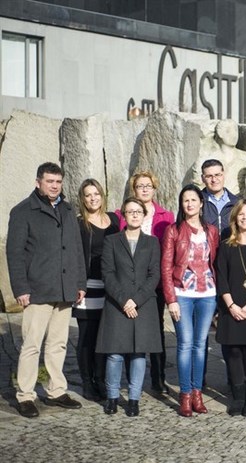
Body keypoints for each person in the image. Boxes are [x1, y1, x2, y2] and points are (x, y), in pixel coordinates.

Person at [7, 162, 86, 418]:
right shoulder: (23, 211)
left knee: (58, 344)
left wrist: (80, 283)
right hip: (37, 290)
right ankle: (26, 395)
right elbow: (15, 254)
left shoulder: (67, 209)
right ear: (38, 182)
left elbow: (76, 249)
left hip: (64, 289)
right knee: (31, 345)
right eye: (49, 181)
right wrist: (20, 288)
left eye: (58, 181)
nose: (54, 186)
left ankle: (56, 390)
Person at [97, 197, 162, 417]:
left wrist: (136, 300)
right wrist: (124, 300)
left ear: (144, 215)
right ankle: (112, 397)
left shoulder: (152, 242)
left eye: (138, 211)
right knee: (114, 354)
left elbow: (154, 275)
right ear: (123, 215)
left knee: (138, 354)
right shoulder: (112, 241)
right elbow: (107, 273)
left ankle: (134, 399)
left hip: (143, 304)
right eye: (129, 211)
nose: (134, 215)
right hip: (117, 303)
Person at [161, 185, 220, 417]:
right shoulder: (173, 230)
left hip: (207, 295)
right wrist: (171, 299)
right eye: (185, 200)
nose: (189, 204)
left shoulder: (212, 231)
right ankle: (185, 395)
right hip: (183, 294)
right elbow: (166, 266)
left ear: (201, 202)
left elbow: (214, 263)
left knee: (200, 345)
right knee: (185, 344)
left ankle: (197, 393)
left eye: (193, 199)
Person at [116, 171, 174, 394]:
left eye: (148, 185)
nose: (145, 189)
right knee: (132, 329)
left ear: (154, 188)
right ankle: (133, 380)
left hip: (154, 283)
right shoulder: (124, 215)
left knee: (156, 331)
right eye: (140, 186)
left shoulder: (166, 216)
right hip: (130, 283)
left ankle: (158, 378)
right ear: (134, 189)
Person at [216, 200, 246, 417]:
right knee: (234, 352)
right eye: (241, 214)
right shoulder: (227, 245)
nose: (245, 217)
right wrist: (232, 305)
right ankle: (238, 397)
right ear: (235, 218)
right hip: (231, 306)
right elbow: (222, 277)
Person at [74, 179, 121, 402]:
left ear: (102, 196)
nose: (93, 198)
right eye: (88, 195)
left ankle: (101, 379)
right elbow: (74, 256)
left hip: (109, 287)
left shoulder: (113, 220)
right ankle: (87, 382)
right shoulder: (79, 223)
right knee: (86, 337)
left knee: (104, 336)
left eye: (96, 194)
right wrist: (77, 284)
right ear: (82, 199)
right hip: (87, 288)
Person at [201, 159, 240, 234]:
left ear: (223, 175)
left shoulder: (236, 203)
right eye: (209, 176)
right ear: (202, 178)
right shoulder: (197, 202)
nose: (214, 180)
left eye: (217, 175)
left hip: (229, 245)